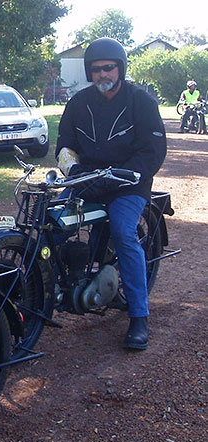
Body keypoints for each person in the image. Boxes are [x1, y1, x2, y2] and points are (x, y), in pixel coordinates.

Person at [55, 37, 167, 351]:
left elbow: (153, 150)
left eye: (109, 68)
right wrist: (73, 171)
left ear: (120, 69)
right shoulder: (78, 103)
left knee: (122, 231)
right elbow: (64, 145)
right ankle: (49, 292)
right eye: (97, 69)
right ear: (90, 72)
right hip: (88, 180)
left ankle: (139, 316)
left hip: (128, 183)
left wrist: (127, 174)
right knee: (52, 223)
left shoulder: (141, 102)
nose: (103, 74)